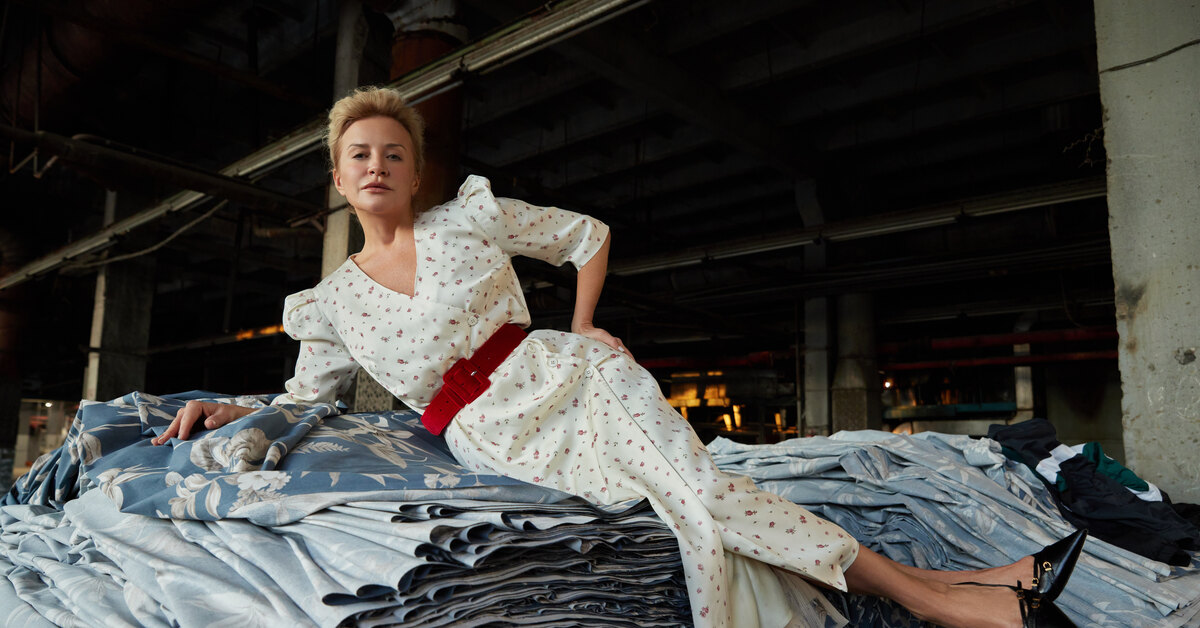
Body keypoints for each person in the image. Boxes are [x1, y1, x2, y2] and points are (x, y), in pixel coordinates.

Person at [152, 86, 1082, 628]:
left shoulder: (468, 220)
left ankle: (948, 609)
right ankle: (977, 585)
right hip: (492, 435)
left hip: (571, 377)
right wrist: (238, 412)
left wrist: (587, 325)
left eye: (394, 153)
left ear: (416, 168)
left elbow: (586, 236)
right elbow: (307, 396)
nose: (377, 166)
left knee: (702, 492)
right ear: (337, 173)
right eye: (359, 154)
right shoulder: (328, 302)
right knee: (682, 512)